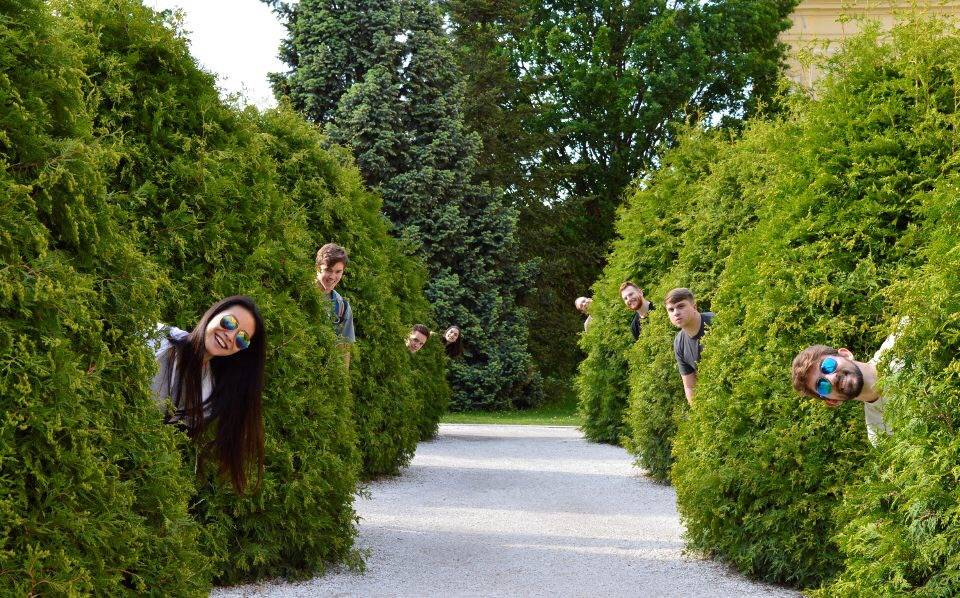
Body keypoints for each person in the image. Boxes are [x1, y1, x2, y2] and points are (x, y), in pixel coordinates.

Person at [150, 295, 266, 493]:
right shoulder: (158, 338)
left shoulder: (206, 397)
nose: (231, 335)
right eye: (230, 322)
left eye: (242, 338)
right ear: (213, 314)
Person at [792, 327, 903, 446]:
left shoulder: (900, 339)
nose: (832, 378)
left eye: (827, 366)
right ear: (832, 401)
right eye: (822, 385)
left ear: (845, 355)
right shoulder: (880, 433)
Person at [666, 288, 714, 406]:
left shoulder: (714, 322)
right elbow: (690, 387)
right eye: (671, 310)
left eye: (681, 306)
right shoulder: (679, 343)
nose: (676, 312)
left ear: (694, 307)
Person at [316, 243, 355, 367]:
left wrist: (342, 383)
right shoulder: (299, 293)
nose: (333, 277)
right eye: (328, 270)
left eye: (338, 272)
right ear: (318, 268)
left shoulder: (343, 307)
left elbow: (344, 350)